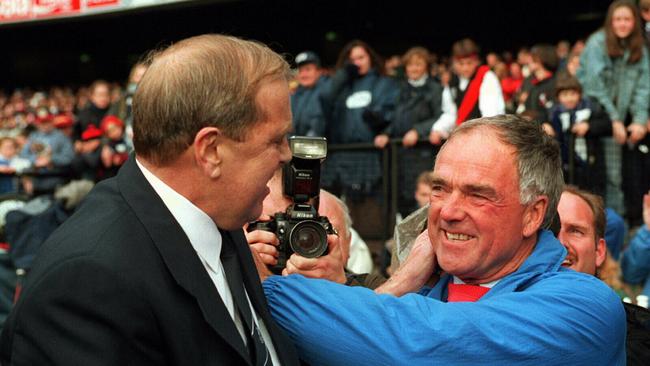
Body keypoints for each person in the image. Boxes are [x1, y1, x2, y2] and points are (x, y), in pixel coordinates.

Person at [0, 34, 300, 365]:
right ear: (211, 150)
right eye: (276, 140)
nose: (287, 154)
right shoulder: (89, 283)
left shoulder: (219, 210)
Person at [259, 114, 625, 365]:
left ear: (532, 213)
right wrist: (403, 282)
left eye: (477, 194)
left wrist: (262, 285)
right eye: (440, 188)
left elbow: (418, 346)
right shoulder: (423, 289)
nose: (448, 211)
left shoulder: (585, 306)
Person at [557, 185, 650, 366]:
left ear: (599, 251)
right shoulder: (500, 322)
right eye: (550, 231)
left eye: (575, 230)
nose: (561, 243)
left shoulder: (639, 339)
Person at [577, 0, 650, 222]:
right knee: (604, 176)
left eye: (627, 19)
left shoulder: (638, 47)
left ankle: (622, 225)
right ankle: (608, 225)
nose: (623, 24)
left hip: (623, 120)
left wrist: (639, 119)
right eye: (618, 19)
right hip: (598, 118)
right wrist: (615, 121)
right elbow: (594, 87)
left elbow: (643, 86)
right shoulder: (597, 43)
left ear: (634, 21)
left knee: (628, 174)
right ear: (611, 21)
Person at [246, 168, 373, 282]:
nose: (303, 244)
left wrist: (340, 287)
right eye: (282, 229)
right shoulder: (234, 275)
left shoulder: (371, 289)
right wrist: (243, 264)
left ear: (348, 242)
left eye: (325, 231)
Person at [374, 46, 444, 215]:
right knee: (402, 195)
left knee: (423, 197)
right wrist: (386, 134)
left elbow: (440, 116)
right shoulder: (400, 89)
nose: (414, 68)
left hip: (423, 152)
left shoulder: (435, 89)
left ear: (426, 67)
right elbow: (396, 118)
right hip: (401, 154)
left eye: (418, 64)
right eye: (411, 65)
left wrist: (418, 131)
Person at [445, 38, 505, 126]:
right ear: (454, 63)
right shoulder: (453, 82)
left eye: (469, 63)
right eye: (461, 64)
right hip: (463, 132)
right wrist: (438, 129)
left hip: (483, 131)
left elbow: (491, 114)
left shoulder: (487, 77)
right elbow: (450, 113)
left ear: (477, 61)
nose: (465, 68)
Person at [290, 51, 329, 137]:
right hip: (299, 147)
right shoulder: (294, 95)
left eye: (308, 69)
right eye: (300, 71)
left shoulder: (327, 91)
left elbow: (319, 124)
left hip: (322, 147)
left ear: (319, 71)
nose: (303, 75)